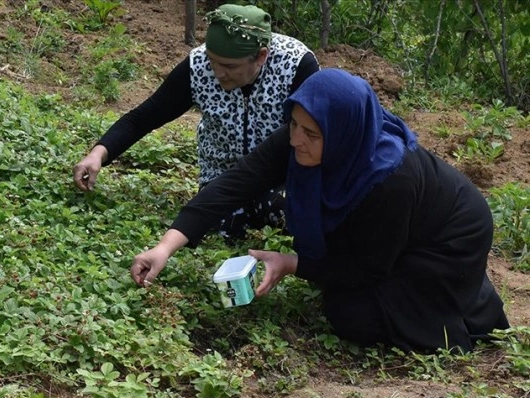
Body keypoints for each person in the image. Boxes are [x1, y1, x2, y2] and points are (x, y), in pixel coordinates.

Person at [129, 68, 510, 353]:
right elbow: (237, 182)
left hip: (448, 239)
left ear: (345, 133)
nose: (296, 140)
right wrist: (165, 246)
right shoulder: (307, 132)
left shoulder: (390, 181)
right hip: (401, 227)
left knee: (350, 314)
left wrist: (293, 263)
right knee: (342, 285)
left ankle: (459, 302)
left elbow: (369, 267)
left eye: (310, 134)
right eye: (293, 124)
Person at [73, 4, 319, 239]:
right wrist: (99, 153)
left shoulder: (295, 65)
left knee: (297, 215)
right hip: (224, 181)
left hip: (281, 178)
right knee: (219, 226)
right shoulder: (198, 65)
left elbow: (316, 133)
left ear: (261, 56)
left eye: (229, 66)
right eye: (213, 61)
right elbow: (145, 116)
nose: (217, 72)